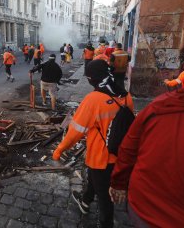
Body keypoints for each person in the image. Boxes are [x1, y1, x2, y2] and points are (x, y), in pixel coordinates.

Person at [53, 60, 133, 228]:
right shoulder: (125, 95)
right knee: (93, 179)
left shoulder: (93, 100)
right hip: (120, 154)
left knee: (104, 199)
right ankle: (85, 201)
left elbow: (75, 132)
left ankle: (106, 224)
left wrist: (59, 150)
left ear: (92, 79)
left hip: (101, 158)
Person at [109, 88, 184, 227]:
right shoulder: (161, 105)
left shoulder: (161, 105)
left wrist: (119, 183)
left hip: (144, 205)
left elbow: (128, 148)